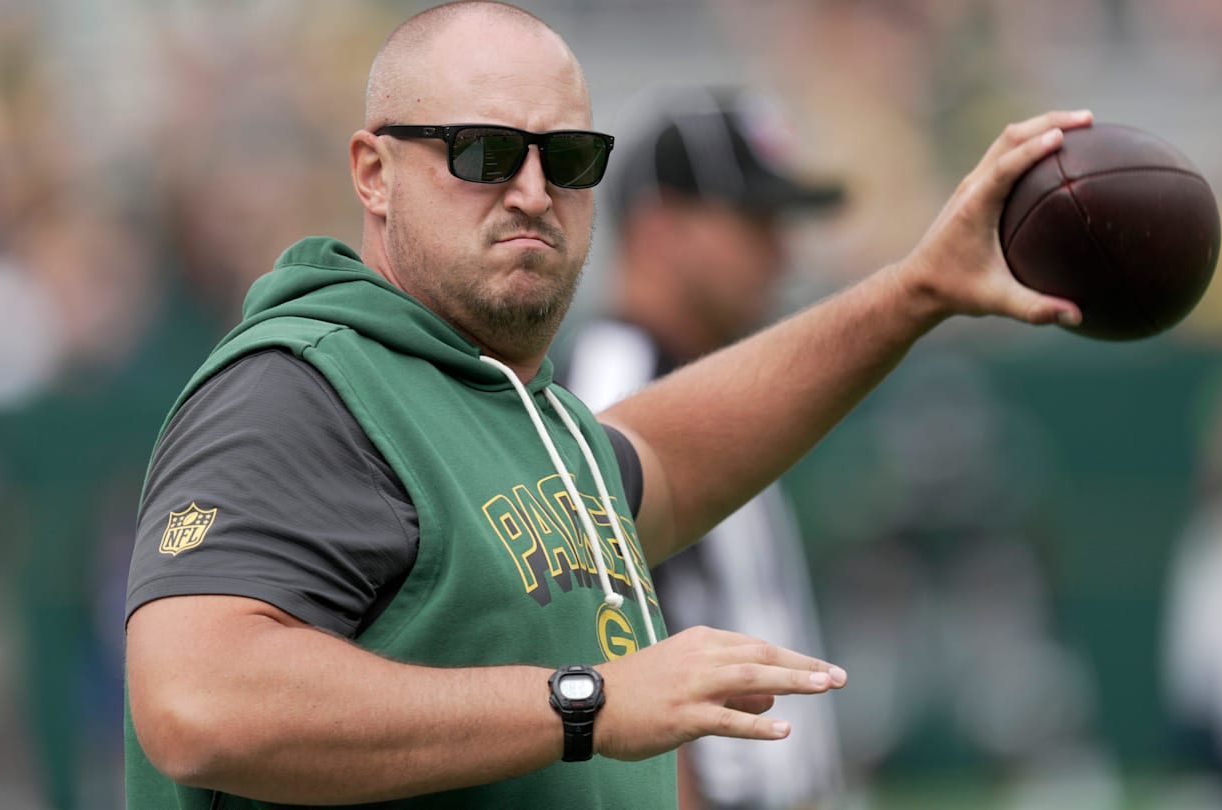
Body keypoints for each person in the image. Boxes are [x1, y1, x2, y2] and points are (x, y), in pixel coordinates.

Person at [122, 1, 1091, 807]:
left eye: (569, 158)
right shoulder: (304, 385)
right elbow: (198, 702)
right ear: (374, 173)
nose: (534, 191)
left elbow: (667, 455)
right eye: (484, 151)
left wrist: (914, 291)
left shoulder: (513, 405)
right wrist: (585, 700)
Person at [560, 85, 846, 809]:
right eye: (755, 221)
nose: (782, 252)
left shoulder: (714, 379)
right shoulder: (615, 387)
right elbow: (592, 639)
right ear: (660, 227)